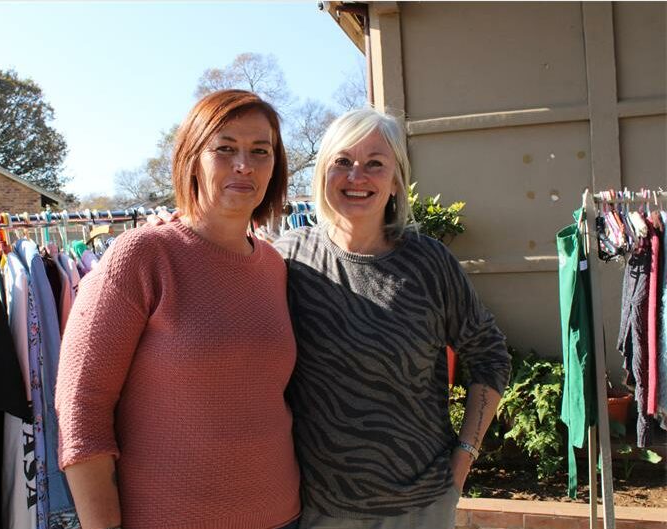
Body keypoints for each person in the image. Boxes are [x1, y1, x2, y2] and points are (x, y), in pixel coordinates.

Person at [55, 89, 301, 529]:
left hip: (283, 515)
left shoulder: (275, 266)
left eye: (260, 151)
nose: (244, 165)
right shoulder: (143, 255)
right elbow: (81, 406)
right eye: (224, 148)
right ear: (192, 157)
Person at [274, 108, 511, 529]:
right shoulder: (289, 258)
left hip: (420, 509)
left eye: (375, 164)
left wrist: (463, 460)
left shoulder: (429, 263)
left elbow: (489, 356)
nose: (357, 176)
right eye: (342, 161)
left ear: (397, 180)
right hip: (316, 509)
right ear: (323, 171)